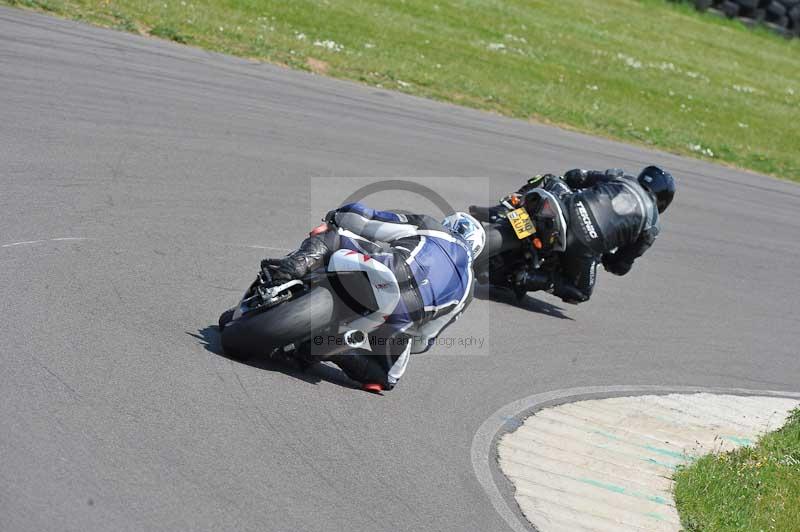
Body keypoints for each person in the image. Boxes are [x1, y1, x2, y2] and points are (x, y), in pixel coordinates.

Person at [262, 202, 485, 392]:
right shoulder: (468, 290)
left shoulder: (432, 227)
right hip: (405, 316)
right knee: (387, 377)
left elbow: (366, 221)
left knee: (333, 237)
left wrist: (337, 215)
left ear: (450, 225)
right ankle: (331, 346)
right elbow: (423, 341)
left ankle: (282, 277)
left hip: (390, 269)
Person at [509, 165, 675, 304]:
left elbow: (578, 176)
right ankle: (526, 277)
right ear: (664, 200)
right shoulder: (651, 225)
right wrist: (606, 259)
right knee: (581, 292)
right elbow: (621, 264)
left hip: (568, 208)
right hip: (584, 244)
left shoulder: (622, 177)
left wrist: (568, 180)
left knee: (550, 179)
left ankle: (511, 205)